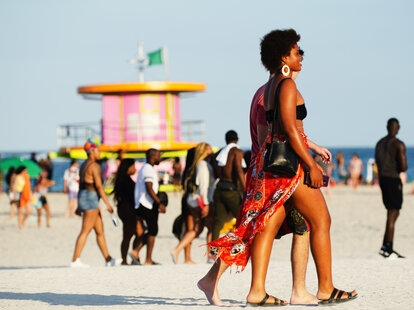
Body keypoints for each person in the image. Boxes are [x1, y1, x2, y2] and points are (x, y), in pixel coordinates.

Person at [198, 29, 357, 306]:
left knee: (262, 228)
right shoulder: (287, 86)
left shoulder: (269, 87)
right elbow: (289, 132)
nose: (301, 57)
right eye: (298, 52)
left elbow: (279, 130)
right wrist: (312, 165)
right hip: (288, 169)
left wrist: (312, 148)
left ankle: (257, 291)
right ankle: (325, 288)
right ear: (284, 56)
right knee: (320, 221)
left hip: (267, 168)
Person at [70, 138, 118, 267]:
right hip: (91, 198)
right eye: (97, 150)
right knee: (85, 230)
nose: (100, 152)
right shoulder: (95, 166)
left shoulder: (84, 165)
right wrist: (108, 204)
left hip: (85, 197)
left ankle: (108, 259)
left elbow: (81, 185)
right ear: (91, 151)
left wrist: (79, 205)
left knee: (99, 231)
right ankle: (75, 260)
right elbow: (99, 187)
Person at [171, 143, 215, 263]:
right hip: (201, 200)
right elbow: (204, 186)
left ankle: (178, 250)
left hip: (194, 199)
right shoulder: (203, 165)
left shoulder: (198, 165)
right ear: (204, 151)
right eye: (209, 148)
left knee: (197, 228)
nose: (211, 150)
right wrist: (206, 204)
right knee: (210, 227)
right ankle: (210, 256)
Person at [375, 118, 407, 258]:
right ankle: (388, 246)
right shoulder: (398, 144)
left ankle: (385, 245)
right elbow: (403, 166)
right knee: (393, 212)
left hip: (383, 179)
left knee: (391, 212)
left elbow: (378, 162)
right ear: (397, 128)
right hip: (393, 179)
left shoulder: (380, 143)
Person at [132, 148, 166, 265]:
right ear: (153, 157)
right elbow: (149, 188)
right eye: (158, 155)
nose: (160, 158)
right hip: (146, 204)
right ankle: (146, 258)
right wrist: (159, 203)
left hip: (144, 203)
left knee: (150, 230)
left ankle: (137, 253)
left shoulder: (147, 168)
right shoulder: (148, 169)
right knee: (152, 231)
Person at [212, 130, 245, 241]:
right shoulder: (236, 151)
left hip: (219, 189)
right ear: (237, 139)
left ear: (226, 140)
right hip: (230, 190)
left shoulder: (219, 153)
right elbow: (239, 171)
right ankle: (243, 250)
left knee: (218, 223)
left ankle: (213, 254)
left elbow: (215, 174)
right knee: (243, 219)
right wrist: (245, 190)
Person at [113, 159, 141, 265]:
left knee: (137, 233)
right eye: (133, 167)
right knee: (128, 235)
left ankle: (133, 257)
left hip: (124, 210)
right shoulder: (126, 180)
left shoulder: (121, 179)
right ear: (128, 168)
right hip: (128, 210)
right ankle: (125, 260)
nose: (135, 169)